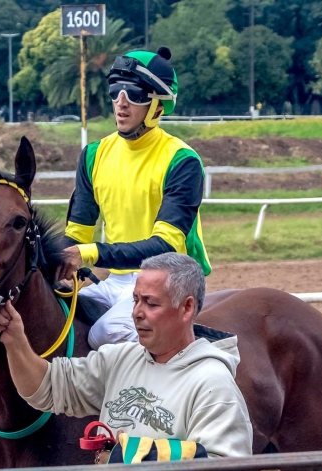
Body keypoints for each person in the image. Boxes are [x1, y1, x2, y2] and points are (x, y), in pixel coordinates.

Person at [0, 253, 252, 471]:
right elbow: (47, 388)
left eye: (151, 303)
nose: (136, 312)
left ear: (186, 308)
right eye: (135, 299)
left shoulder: (213, 383)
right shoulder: (120, 359)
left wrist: (123, 460)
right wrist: (15, 340)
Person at [56, 46, 211, 350]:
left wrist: (88, 253)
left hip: (171, 279)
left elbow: (164, 246)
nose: (121, 103)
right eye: (115, 90)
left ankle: (174, 383)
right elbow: (76, 233)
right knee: (55, 319)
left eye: (135, 93)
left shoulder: (182, 160)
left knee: (105, 333)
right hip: (115, 281)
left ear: (157, 106)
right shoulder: (93, 155)